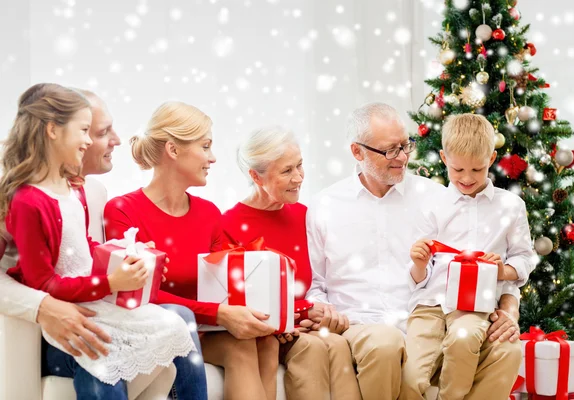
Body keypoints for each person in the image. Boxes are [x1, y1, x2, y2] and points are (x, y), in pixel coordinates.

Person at [305, 102, 523, 400]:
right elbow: (316, 286)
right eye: (390, 150)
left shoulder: (437, 197)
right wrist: (321, 309)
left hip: (434, 320)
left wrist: (510, 308)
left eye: (406, 145)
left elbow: (490, 257)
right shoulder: (325, 205)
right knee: (385, 344)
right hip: (363, 324)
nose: (403, 157)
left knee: (507, 350)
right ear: (358, 152)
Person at [0, 83, 196, 399]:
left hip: (89, 302)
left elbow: (83, 248)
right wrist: (103, 284)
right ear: (53, 131)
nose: (102, 140)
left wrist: (129, 253)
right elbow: (45, 278)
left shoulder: (80, 189)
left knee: (177, 327)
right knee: (101, 353)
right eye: (89, 130)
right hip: (52, 324)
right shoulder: (23, 198)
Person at [104, 101, 281, 400]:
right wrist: (219, 314)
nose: (212, 158)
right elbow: (139, 293)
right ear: (173, 150)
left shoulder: (208, 213)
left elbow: (227, 284)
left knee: (266, 341)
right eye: (206, 146)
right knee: (241, 349)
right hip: (157, 331)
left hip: (205, 327)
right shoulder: (123, 211)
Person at [221, 126, 361, 400]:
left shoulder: (304, 215)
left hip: (303, 327)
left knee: (337, 344)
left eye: (299, 166)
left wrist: (316, 314)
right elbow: (236, 302)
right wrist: (302, 313)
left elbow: (320, 280)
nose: (298, 178)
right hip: (265, 335)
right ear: (255, 176)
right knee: (313, 349)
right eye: (287, 171)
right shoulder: (229, 225)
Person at [402, 113, 534, 400]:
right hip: (430, 304)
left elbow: (525, 258)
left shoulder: (510, 206)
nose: (466, 178)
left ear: (492, 158)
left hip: (475, 305)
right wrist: (419, 263)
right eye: (458, 169)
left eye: (477, 169)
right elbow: (416, 278)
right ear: (443, 157)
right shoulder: (431, 205)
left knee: (464, 339)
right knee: (410, 377)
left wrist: (504, 272)